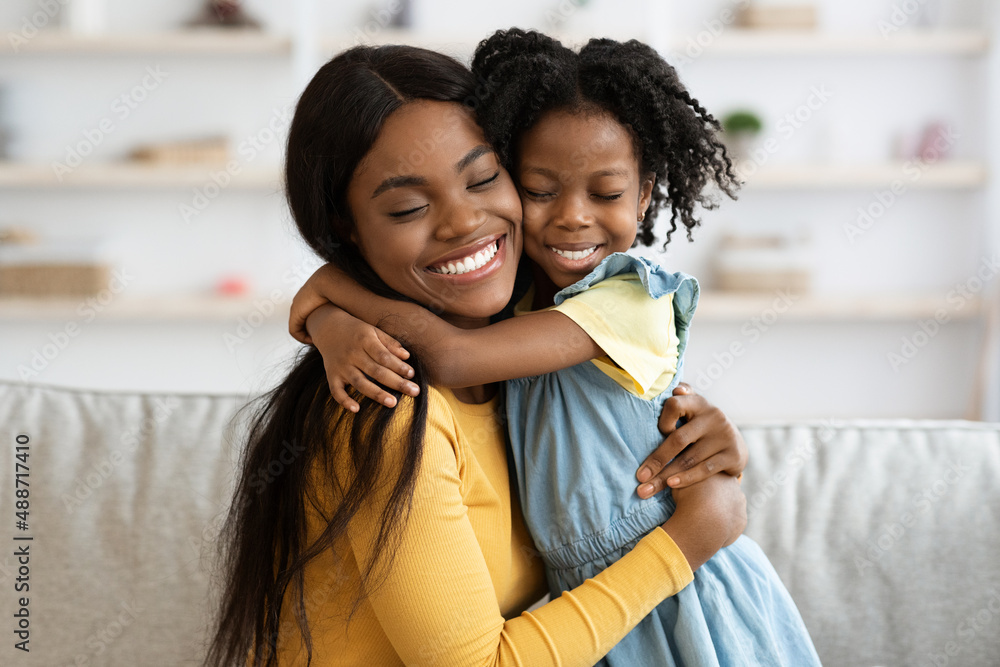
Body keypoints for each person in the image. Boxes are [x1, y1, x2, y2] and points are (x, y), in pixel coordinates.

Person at [287, 30, 820, 666]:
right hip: (649, 577)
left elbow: (457, 357)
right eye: (543, 189)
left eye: (482, 179)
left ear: (645, 192)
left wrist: (328, 299)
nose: (571, 217)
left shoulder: (617, 300)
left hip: (683, 593)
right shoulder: (397, 400)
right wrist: (329, 316)